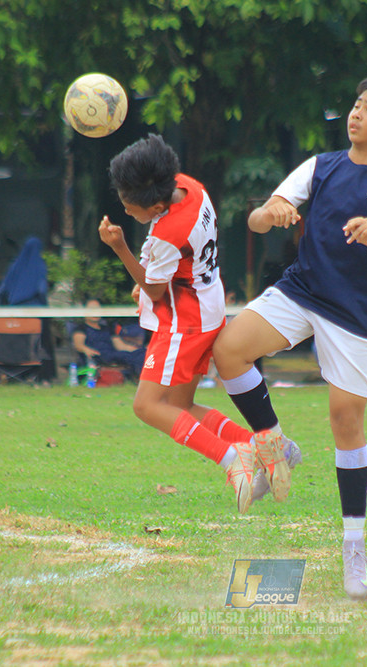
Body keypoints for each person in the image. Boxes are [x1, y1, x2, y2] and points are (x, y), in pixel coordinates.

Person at [212, 75, 367, 601]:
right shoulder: (321, 165)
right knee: (228, 350)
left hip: (352, 312)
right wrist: (272, 212)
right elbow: (259, 220)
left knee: (346, 421)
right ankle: (275, 444)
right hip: (300, 291)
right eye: (355, 105)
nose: (355, 114)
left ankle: (354, 548)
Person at [98, 133, 290, 513]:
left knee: (147, 405)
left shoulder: (170, 231)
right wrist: (149, 275)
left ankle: (234, 461)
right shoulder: (190, 187)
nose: (126, 213)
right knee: (179, 404)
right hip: (207, 306)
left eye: (129, 207)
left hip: (182, 321)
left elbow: (155, 290)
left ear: (153, 205)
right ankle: (264, 447)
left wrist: (119, 246)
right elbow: (164, 260)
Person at [0, 236, 56, 383]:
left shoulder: (15, 265)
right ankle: (43, 376)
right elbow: (41, 289)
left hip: (16, 314)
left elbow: (2, 290)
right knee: (41, 345)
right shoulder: (39, 266)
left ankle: (17, 376)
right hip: (37, 314)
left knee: (19, 345)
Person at [71, 298, 145, 380]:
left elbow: (120, 345)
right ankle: (141, 379)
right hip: (99, 356)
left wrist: (136, 349)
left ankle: (145, 380)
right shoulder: (81, 329)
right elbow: (79, 345)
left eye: (98, 309)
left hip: (113, 354)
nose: (95, 312)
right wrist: (86, 350)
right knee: (129, 357)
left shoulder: (107, 328)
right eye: (92, 309)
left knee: (141, 353)